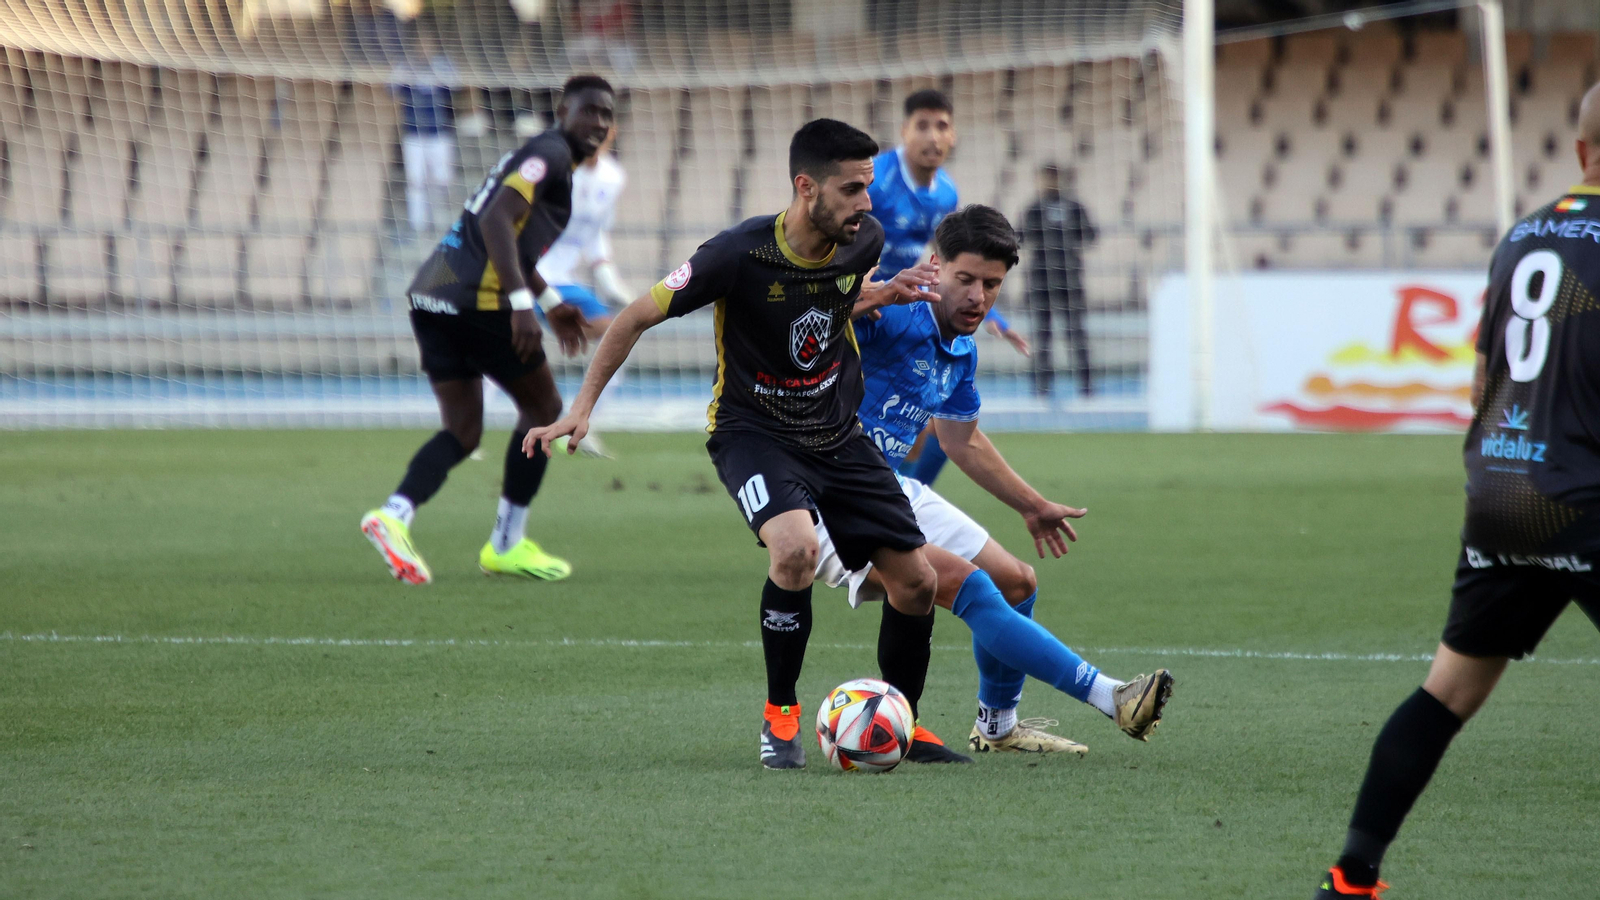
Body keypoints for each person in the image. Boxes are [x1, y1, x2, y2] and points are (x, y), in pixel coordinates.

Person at [526, 119, 959, 770]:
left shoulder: (862, 240)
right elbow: (635, 315)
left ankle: (899, 718)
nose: (867, 205)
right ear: (805, 187)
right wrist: (581, 407)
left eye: (868, 188)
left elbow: (829, 306)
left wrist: (878, 293)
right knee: (794, 551)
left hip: (838, 435)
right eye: (851, 189)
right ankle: (780, 713)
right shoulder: (736, 254)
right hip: (753, 435)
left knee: (918, 583)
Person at [1311, 82, 1600, 899]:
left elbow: (1484, 377)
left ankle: (1353, 875)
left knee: (1448, 691)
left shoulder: (1523, 235)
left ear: (1580, 152)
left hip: (1505, 490)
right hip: (1587, 495)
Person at [835, 204, 1173, 755]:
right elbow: (813, 321)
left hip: (890, 486)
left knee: (1018, 582)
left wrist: (1032, 504)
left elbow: (961, 440)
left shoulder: (961, 348)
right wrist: (865, 298)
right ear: (935, 265)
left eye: (990, 284)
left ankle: (996, 726)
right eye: (964, 279)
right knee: (971, 587)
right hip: (832, 493)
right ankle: (1112, 697)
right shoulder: (895, 315)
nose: (976, 296)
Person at [359, 75, 615, 586]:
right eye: (590, 111)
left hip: (433, 290)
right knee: (543, 410)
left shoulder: (543, 157)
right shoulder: (551, 153)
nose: (600, 124)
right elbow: (497, 219)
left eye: (608, 116)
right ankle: (505, 544)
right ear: (562, 110)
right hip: (477, 299)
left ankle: (394, 514)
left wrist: (549, 301)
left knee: (462, 429)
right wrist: (523, 306)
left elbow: (513, 240)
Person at [864, 88, 1027, 486]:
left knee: (935, 421)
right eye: (922, 126)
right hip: (866, 312)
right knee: (908, 422)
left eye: (942, 126)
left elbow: (951, 259)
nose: (932, 137)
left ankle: (904, 500)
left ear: (953, 136)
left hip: (910, 309)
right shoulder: (876, 181)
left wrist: (992, 312)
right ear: (904, 131)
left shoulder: (947, 192)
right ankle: (894, 503)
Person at [534, 125, 632, 458]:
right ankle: (467, 428)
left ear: (612, 134)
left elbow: (596, 235)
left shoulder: (613, 177)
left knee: (616, 336)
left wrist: (608, 278)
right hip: (531, 272)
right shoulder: (558, 169)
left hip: (560, 279)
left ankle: (581, 421)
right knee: (616, 335)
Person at [1020, 163, 1097, 398]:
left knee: (1076, 335)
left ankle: (1085, 387)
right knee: (1042, 337)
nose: (1049, 183)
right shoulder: (1034, 208)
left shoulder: (1073, 206)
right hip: (1042, 278)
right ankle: (1042, 388)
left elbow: (1091, 235)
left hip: (1068, 277)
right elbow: (1019, 237)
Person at [392, 30, 459, 236]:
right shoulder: (405, 65)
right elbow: (390, 87)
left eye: (428, 43)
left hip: (439, 134)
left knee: (442, 179)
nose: (424, 47)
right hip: (413, 134)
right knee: (415, 181)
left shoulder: (444, 65)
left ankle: (440, 222)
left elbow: (457, 86)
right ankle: (417, 225)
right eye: (420, 43)